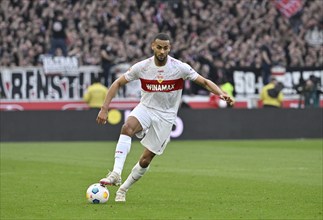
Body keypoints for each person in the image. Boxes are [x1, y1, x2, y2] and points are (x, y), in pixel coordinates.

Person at [96, 33, 234, 202]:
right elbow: (117, 83)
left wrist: (221, 93)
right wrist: (104, 108)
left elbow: (204, 82)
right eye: (159, 47)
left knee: (145, 160)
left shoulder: (179, 67)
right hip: (146, 108)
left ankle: (123, 189)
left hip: (166, 117)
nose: (162, 51)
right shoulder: (142, 67)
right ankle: (116, 173)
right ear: (153, 46)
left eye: (165, 48)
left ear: (170, 48)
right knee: (127, 127)